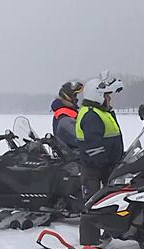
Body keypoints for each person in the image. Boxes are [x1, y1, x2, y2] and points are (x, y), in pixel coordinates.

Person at [76, 73, 124, 202]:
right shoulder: (91, 115)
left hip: (106, 168)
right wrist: (106, 165)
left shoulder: (102, 112)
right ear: (98, 96)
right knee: (94, 204)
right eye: (107, 95)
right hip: (95, 171)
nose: (109, 98)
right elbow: (94, 146)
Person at [51, 81, 83, 149]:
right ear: (68, 96)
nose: (76, 98)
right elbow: (75, 135)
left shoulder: (68, 110)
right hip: (72, 152)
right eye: (75, 95)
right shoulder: (64, 113)